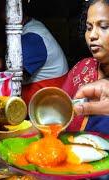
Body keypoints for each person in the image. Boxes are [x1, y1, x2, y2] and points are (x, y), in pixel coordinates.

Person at [62, 0, 109, 135]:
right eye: (89, 28)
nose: (92, 35)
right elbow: (57, 110)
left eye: (104, 26)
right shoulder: (83, 68)